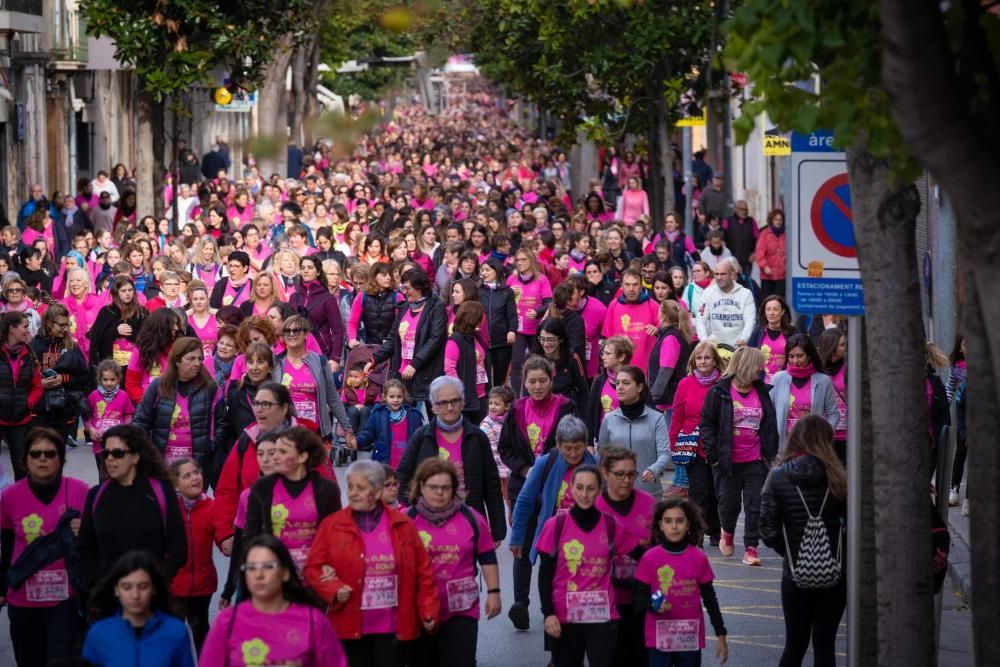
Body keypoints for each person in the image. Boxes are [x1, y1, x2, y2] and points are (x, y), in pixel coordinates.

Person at [304, 460, 439, 666]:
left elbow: (424, 572)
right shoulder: (332, 525)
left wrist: (428, 610)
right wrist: (333, 588)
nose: (353, 493)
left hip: (393, 627)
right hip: (349, 625)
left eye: (361, 487)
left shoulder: (402, 524)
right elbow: (313, 567)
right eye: (350, 487)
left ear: (376, 492)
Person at [760, 416, 847, 667]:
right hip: (835, 571)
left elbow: (767, 528)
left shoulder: (778, 476)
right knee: (825, 645)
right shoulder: (837, 476)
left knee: (794, 645)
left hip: (795, 572)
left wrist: (790, 551)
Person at [0, 427, 89, 666]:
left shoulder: (80, 491)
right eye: (36, 453)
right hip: (23, 600)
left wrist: (86, 532)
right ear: (25, 460)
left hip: (66, 602)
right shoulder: (10, 496)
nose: (42, 458)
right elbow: (6, 547)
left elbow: (95, 547)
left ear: (61, 459)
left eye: (50, 454)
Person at [536, 464, 637, 667]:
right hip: (564, 617)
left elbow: (644, 558)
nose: (584, 494)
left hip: (601, 615)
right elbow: (545, 573)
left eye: (590, 488)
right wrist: (548, 613)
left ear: (599, 490)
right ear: (571, 488)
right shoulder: (555, 525)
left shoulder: (610, 525)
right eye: (580, 487)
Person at [406, 459, 502, 667]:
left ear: (454, 489)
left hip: (462, 609)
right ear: (421, 486)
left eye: (445, 488)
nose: (439, 493)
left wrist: (494, 593)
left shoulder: (472, 519)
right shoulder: (406, 520)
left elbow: (487, 556)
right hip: (418, 608)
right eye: (433, 487)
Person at [507, 415, 596, 631]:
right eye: (567, 448)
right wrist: (517, 537)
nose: (573, 454)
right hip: (555, 539)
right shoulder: (545, 463)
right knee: (556, 593)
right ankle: (556, 651)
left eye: (578, 448)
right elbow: (525, 501)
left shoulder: (596, 464)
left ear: (586, 445)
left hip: (588, 538)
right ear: (557, 444)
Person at [203, 534, 348, 666]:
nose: (259, 574)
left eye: (268, 566)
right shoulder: (227, 622)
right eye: (251, 568)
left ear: (285, 573)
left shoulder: (314, 621)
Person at [395, 376, 507, 542]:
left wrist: (497, 531)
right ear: (433, 406)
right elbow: (403, 476)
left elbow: (491, 485)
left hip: (469, 522)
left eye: (454, 401)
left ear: (462, 402)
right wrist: (412, 512)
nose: (449, 407)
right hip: (428, 523)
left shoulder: (477, 437)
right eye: (442, 402)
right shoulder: (421, 437)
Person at [77, 425, 187, 588]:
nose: (110, 459)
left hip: (152, 596)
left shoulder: (161, 492)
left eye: (118, 453)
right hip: (109, 596)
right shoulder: (96, 495)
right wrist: (100, 582)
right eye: (105, 453)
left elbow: (178, 548)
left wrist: (158, 581)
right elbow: (85, 548)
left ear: (135, 456)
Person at [700, 346, 778, 566]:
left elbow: (769, 423)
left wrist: (769, 453)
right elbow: (707, 425)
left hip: (755, 459)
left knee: (755, 505)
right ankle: (728, 531)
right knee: (728, 505)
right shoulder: (719, 392)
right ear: (746, 366)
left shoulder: (762, 391)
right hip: (727, 461)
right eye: (757, 366)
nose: (761, 370)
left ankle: (751, 548)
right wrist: (713, 455)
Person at [635, 498, 729, 667]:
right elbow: (639, 599)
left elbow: (710, 598)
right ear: (660, 525)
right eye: (668, 521)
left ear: (688, 524)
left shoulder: (698, 557)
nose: (674, 526)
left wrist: (720, 633)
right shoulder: (649, 558)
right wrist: (653, 605)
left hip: (688, 635)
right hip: (659, 637)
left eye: (680, 521)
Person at [244, 426, 342, 571]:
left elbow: (335, 536)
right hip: (276, 576)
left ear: (302, 456)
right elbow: (250, 537)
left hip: (316, 575)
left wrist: (330, 566)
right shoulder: (261, 488)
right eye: (275, 451)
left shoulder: (327, 489)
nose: (274, 457)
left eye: (282, 452)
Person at [594, 446, 658, 665]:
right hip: (605, 602)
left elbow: (660, 551)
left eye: (632, 474)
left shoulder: (649, 504)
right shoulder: (594, 507)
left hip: (642, 598)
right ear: (604, 473)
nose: (627, 480)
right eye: (620, 474)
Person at [81, 551, 197, 667]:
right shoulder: (99, 634)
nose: (135, 595)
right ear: (116, 590)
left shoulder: (176, 633)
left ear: (153, 589)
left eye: (143, 587)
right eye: (127, 587)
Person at [132, 337, 224, 469]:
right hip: (163, 465)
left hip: (196, 466)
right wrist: (147, 452)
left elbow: (222, 423)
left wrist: (211, 447)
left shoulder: (210, 388)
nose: (197, 363)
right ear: (177, 361)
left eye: (199, 358)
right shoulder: (158, 386)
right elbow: (141, 421)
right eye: (191, 359)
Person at [670, 341, 725, 545]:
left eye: (707, 358)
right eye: (699, 358)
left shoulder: (722, 384)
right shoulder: (685, 384)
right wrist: (674, 443)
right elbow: (677, 416)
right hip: (692, 445)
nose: (703, 361)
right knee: (698, 490)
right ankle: (697, 532)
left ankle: (716, 529)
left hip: (716, 445)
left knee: (716, 491)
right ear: (694, 361)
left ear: (714, 361)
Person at [272, 314, 354, 445]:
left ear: (306, 334)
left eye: (296, 330)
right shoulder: (275, 363)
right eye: (287, 331)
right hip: (285, 433)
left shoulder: (320, 361)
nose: (291, 334)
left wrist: (347, 428)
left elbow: (332, 397)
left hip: (316, 432)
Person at [168, 457, 221, 651]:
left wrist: (227, 542)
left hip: (203, 583)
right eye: (187, 476)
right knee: (173, 636)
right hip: (174, 585)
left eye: (196, 473)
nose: (194, 478)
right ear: (176, 484)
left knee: (200, 631)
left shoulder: (212, 506)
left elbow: (222, 536)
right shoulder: (169, 509)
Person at [597, 365, 671, 495]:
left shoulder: (656, 418)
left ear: (640, 387)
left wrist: (654, 470)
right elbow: (601, 454)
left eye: (626, 383)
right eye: (617, 383)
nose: (619, 387)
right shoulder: (609, 419)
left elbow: (665, 454)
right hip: (616, 492)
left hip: (649, 492)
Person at [29, 303, 92, 446]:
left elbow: (84, 377)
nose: (65, 329)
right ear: (49, 323)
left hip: (64, 409)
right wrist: (40, 383)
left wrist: (63, 378)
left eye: (67, 324)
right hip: (38, 410)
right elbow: (22, 378)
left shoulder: (71, 346)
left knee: (57, 456)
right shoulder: (34, 346)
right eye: (61, 325)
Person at [769, 334, 840, 456]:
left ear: (809, 356)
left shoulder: (823, 380)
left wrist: (822, 437)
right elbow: (768, 412)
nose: (795, 361)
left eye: (799, 356)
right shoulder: (778, 379)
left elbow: (833, 414)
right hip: (783, 450)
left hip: (813, 450)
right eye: (791, 356)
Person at [0, 311, 42, 480]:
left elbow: (38, 387)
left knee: (23, 469)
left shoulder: (30, 355)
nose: (28, 330)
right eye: (25, 326)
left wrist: (27, 403)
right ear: (12, 328)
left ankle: (21, 505)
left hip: (20, 419)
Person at [507, 248, 553, 394]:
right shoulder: (511, 280)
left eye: (523, 260)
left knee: (535, 365)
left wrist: (538, 312)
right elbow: (503, 304)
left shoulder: (542, 279)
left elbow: (549, 303)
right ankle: (515, 398)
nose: (519, 263)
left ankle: (530, 395)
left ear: (531, 261)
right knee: (516, 363)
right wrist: (508, 293)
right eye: (517, 260)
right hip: (518, 329)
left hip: (536, 329)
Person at [354, 378, 424, 467]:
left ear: (403, 397)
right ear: (384, 397)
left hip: (407, 466)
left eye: (399, 397)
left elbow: (420, 437)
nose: (395, 400)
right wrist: (357, 441)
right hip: (383, 464)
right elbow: (368, 433)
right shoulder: (378, 415)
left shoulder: (413, 416)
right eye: (391, 396)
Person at [86, 359, 136, 480]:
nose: (109, 383)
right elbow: (86, 415)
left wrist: (123, 429)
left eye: (112, 379)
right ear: (99, 379)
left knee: (118, 474)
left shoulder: (123, 395)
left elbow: (129, 414)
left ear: (118, 379)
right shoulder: (93, 396)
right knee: (103, 476)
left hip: (118, 443)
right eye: (105, 379)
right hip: (100, 445)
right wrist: (90, 429)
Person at [291, 254, 346, 364]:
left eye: (310, 268)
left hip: (321, 353)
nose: (306, 270)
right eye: (303, 268)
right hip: (296, 352)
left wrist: (335, 358)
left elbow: (338, 330)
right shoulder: (294, 297)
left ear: (318, 272)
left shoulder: (327, 298)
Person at [602, 268, 660, 371]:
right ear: (622, 286)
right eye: (627, 284)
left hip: (646, 370)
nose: (631, 289)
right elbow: (608, 339)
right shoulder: (613, 305)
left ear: (641, 285)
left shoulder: (653, 305)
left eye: (635, 284)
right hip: (619, 370)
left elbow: (665, 335)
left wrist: (657, 331)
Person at [89, 275, 148, 374]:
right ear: (116, 292)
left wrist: (131, 332)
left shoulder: (141, 312)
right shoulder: (107, 312)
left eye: (130, 290)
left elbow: (147, 337)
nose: (128, 293)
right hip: (111, 366)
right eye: (123, 291)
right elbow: (96, 337)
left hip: (136, 364)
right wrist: (115, 331)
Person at [444, 301, 491, 423]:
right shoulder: (455, 340)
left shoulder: (476, 336)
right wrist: (460, 392)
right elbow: (449, 369)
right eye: (481, 316)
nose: (483, 318)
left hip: (481, 395)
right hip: (466, 398)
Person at [125, 307, 182, 404]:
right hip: (149, 404)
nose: (176, 328)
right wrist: (146, 403)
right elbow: (131, 384)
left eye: (177, 324)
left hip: (174, 403)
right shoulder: (141, 350)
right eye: (173, 324)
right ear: (162, 326)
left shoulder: (179, 347)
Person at [532, 317, 589, 412]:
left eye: (551, 340)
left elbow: (583, 392)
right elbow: (526, 391)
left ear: (561, 339)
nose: (545, 344)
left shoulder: (572, 358)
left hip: (564, 412)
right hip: (539, 411)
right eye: (542, 339)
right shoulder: (533, 359)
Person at [695, 257, 756, 347]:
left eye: (723, 274)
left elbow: (750, 320)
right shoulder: (708, 293)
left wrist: (744, 338)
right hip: (714, 347)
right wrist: (704, 340)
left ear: (732, 275)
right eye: (717, 274)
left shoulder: (745, 294)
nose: (719, 277)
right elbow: (701, 319)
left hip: (738, 346)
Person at [585, 335, 634, 441]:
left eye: (608, 353)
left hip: (630, 441)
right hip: (604, 441)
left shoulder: (636, 380)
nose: (603, 357)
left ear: (621, 357)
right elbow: (590, 411)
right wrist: (589, 443)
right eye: (603, 353)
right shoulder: (600, 381)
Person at [648, 299, 694, 412]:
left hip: (669, 402)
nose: (657, 316)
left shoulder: (670, 339)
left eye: (659, 313)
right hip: (670, 399)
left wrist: (652, 396)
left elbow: (666, 371)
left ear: (663, 316)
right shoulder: (672, 335)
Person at [479, 258, 518, 387]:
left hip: (502, 342)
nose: (483, 273)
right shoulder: (478, 291)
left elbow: (512, 314)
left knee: (500, 380)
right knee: (484, 380)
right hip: (482, 342)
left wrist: (512, 330)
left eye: (487, 270)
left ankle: (498, 403)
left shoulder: (507, 292)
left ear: (497, 271)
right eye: (482, 270)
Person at [749, 295, 798, 383]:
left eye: (775, 309)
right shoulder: (758, 331)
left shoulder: (793, 332)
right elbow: (749, 356)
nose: (771, 313)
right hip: (762, 383)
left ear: (782, 311)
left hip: (786, 381)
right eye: (768, 309)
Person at [755, 209, 786, 298]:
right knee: (768, 299)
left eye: (780, 220)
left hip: (782, 274)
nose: (778, 222)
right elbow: (759, 252)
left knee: (780, 299)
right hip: (768, 275)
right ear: (771, 220)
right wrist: (764, 266)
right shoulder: (765, 234)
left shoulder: (786, 234)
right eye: (776, 219)